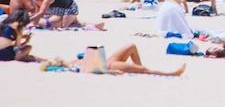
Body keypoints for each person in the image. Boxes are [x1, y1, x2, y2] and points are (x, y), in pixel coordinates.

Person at [44, 44, 186, 76]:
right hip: (109, 65)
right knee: (143, 70)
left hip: (107, 60)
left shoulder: (71, 62)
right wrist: (112, 72)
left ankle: (139, 70)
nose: (59, 57)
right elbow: (94, 70)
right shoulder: (71, 66)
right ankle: (172, 73)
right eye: (57, 59)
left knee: (132, 47)